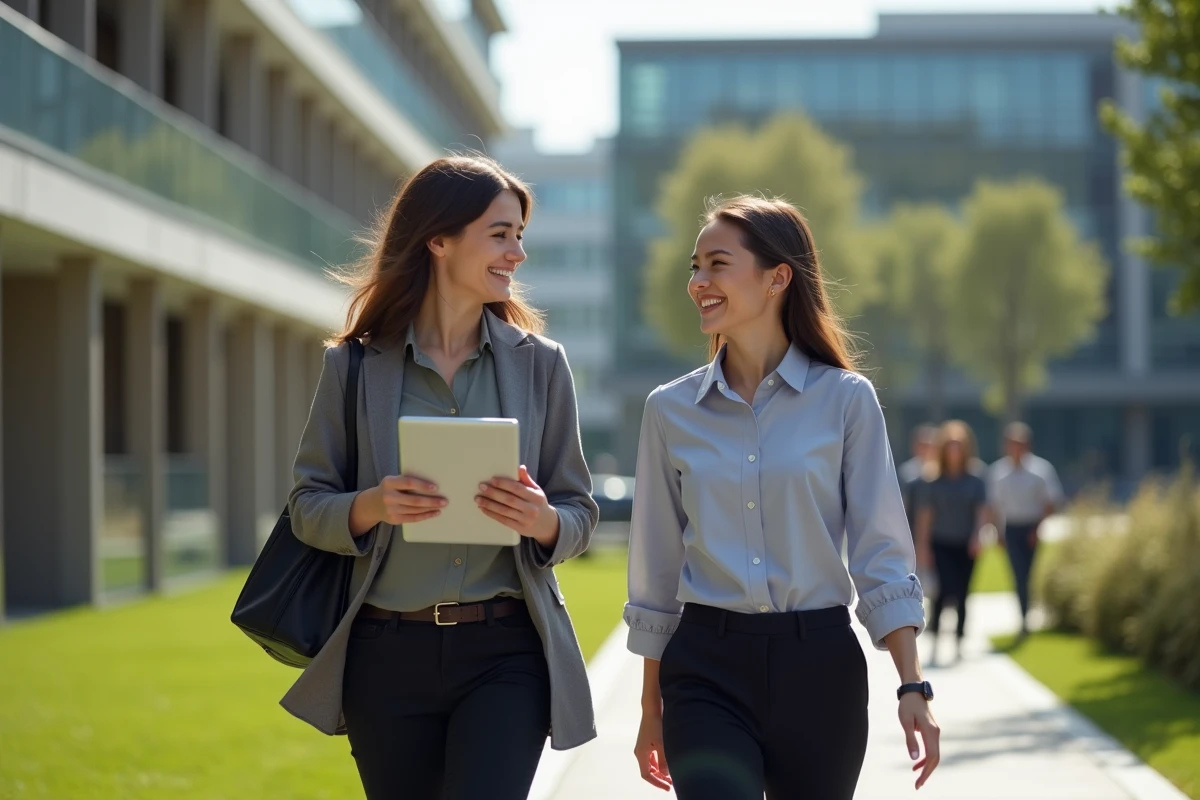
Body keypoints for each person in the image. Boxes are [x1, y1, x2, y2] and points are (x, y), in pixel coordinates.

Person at [280, 155, 599, 800]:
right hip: (383, 655)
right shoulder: (354, 367)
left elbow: (579, 512)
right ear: (439, 240)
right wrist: (372, 505)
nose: (518, 253)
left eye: (520, 235)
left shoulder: (541, 366)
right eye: (501, 234)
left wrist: (541, 520)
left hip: (507, 652)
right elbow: (306, 506)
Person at [625, 196, 940, 800]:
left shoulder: (847, 400)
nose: (697, 282)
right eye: (694, 267)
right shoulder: (668, 410)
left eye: (717, 264)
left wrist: (911, 686)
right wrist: (650, 706)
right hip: (705, 670)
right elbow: (656, 570)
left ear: (777, 278)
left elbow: (880, 549)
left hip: (819, 669)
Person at [914, 420, 990, 665]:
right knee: (943, 592)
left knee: (963, 593)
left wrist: (978, 536)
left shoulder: (976, 478)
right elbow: (925, 515)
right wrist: (922, 547)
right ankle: (935, 640)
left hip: (967, 545)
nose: (955, 450)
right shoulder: (932, 479)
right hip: (941, 543)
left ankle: (958, 641)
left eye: (959, 445)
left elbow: (981, 512)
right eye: (951, 445)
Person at [988, 422, 1063, 637]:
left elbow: (1051, 502)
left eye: (1019, 444)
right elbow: (994, 506)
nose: (1015, 448)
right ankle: (1023, 618)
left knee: (1029, 574)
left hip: (1031, 527)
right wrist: (997, 532)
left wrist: (1037, 528)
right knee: (1018, 574)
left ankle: (1027, 614)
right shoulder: (998, 472)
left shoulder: (1041, 470)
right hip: (1011, 528)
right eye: (1011, 443)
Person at [899, 423, 938, 538]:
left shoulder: (943, 471)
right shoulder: (906, 471)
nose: (926, 449)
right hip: (912, 526)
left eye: (929, 445)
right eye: (922, 445)